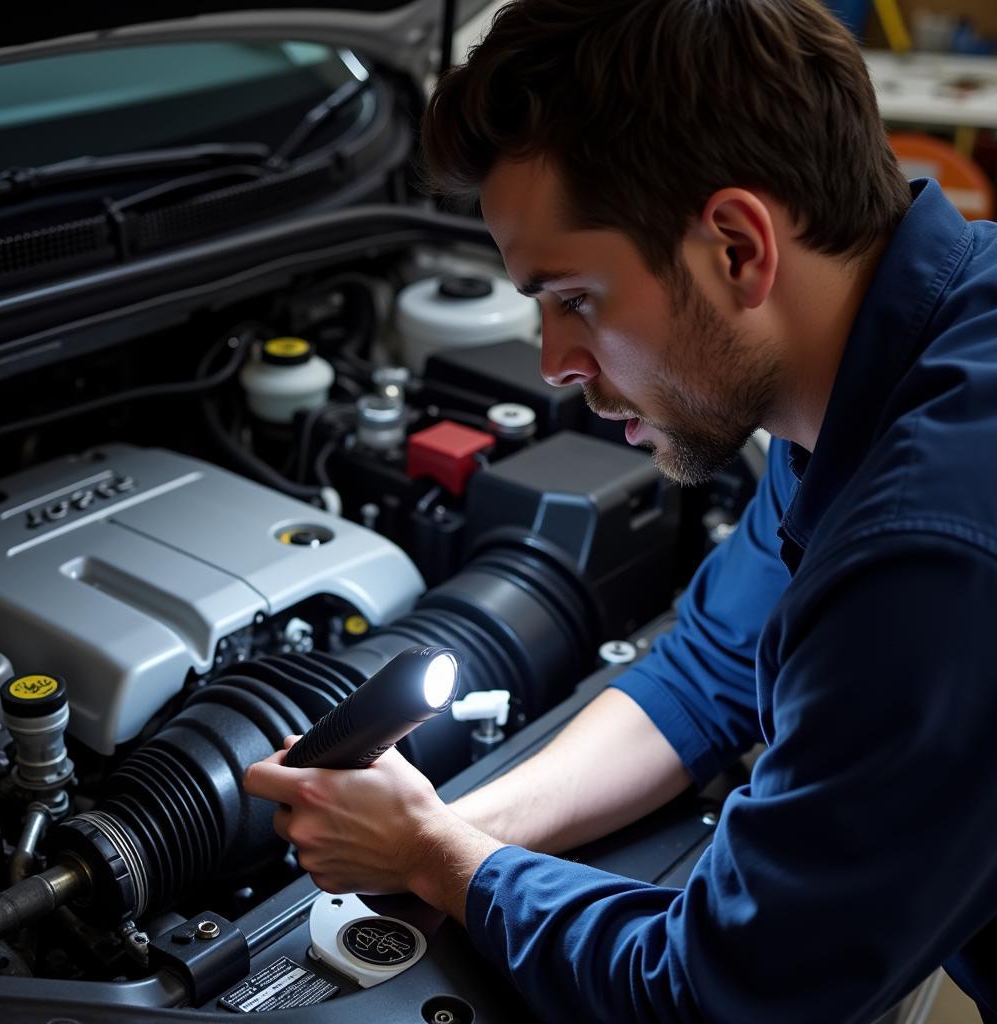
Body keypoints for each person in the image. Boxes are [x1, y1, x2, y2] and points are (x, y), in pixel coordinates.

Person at [243, 1, 997, 1020]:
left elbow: (724, 995)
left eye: (576, 298)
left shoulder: (931, 547)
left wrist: (437, 857)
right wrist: (447, 823)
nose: (553, 362)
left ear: (736, 246)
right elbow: (708, 668)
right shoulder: (873, 363)